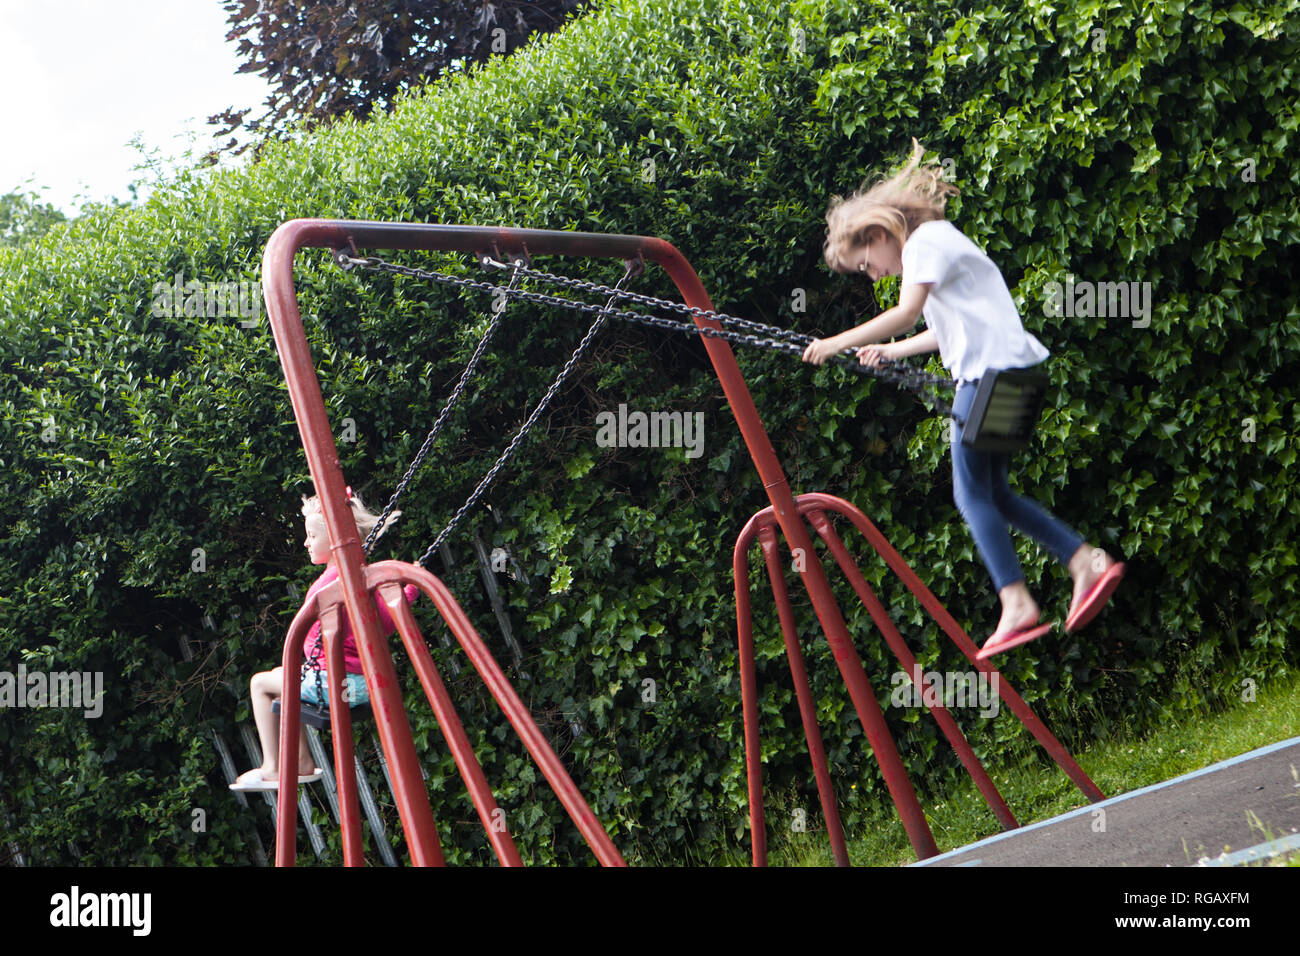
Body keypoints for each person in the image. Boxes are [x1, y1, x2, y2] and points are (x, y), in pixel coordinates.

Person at [802, 139, 1124, 660]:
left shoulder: (923, 245)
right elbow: (934, 331)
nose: (874, 274)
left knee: (969, 494)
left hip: (990, 377)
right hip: (1019, 377)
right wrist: (886, 352)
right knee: (995, 494)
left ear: (881, 234)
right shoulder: (939, 245)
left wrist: (837, 340)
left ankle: (1016, 602)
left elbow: (907, 313)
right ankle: (1083, 560)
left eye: (866, 263)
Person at [230, 487, 419, 790]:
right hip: (361, 683)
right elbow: (385, 623)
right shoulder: (361, 575)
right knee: (281, 680)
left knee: (260, 684)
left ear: (334, 540)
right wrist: (409, 590)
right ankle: (302, 762)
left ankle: (272, 766)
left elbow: (309, 629)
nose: (305, 542)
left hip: (337, 682)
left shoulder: (332, 581)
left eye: (312, 536)